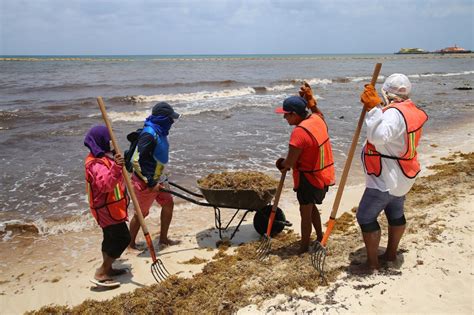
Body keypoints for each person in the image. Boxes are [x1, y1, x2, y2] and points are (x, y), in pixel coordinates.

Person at [357, 74, 428, 271]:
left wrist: (373, 109)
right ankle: (390, 254)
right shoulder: (411, 110)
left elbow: (378, 137)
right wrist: (377, 108)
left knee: (365, 217)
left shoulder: (393, 113)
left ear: (387, 93)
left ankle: (372, 264)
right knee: (395, 213)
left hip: (385, 177)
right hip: (403, 175)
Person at [275, 84, 336, 254]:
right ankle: (319, 235)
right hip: (323, 176)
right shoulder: (317, 120)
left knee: (305, 214)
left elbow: (290, 163)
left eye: (286, 115)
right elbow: (318, 112)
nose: (284, 118)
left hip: (308, 180)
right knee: (311, 207)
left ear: (294, 115)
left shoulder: (299, 134)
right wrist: (310, 100)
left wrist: (280, 164)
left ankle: (303, 248)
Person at [128, 102, 180, 250]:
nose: (172, 122)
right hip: (146, 182)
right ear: (163, 118)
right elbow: (137, 161)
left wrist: (159, 179)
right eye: (170, 119)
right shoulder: (149, 134)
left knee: (168, 204)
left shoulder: (161, 131)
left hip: (159, 177)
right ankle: (130, 245)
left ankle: (163, 239)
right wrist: (151, 182)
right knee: (141, 214)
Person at [84, 125, 131, 286]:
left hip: (110, 207)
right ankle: (102, 271)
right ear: (101, 140)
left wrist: (119, 163)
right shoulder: (96, 164)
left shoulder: (105, 156)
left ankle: (109, 268)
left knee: (109, 238)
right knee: (123, 238)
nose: (111, 141)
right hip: (106, 209)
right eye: (108, 139)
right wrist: (117, 167)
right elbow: (105, 186)